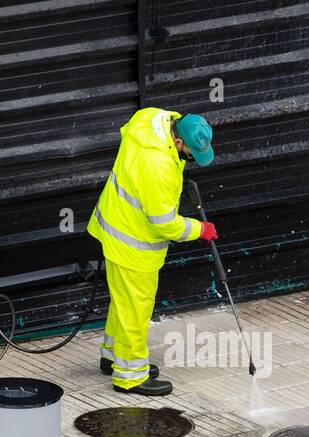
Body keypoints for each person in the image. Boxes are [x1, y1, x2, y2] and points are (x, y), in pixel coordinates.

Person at [87, 108, 217, 396]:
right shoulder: (158, 164)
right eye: (191, 153)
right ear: (179, 141)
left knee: (123, 301)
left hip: (114, 222)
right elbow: (164, 223)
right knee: (136, 309)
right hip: (134, 243)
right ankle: (130, 375)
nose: (192, 159)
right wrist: (199, 230)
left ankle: (112, 356)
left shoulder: (151, 119)